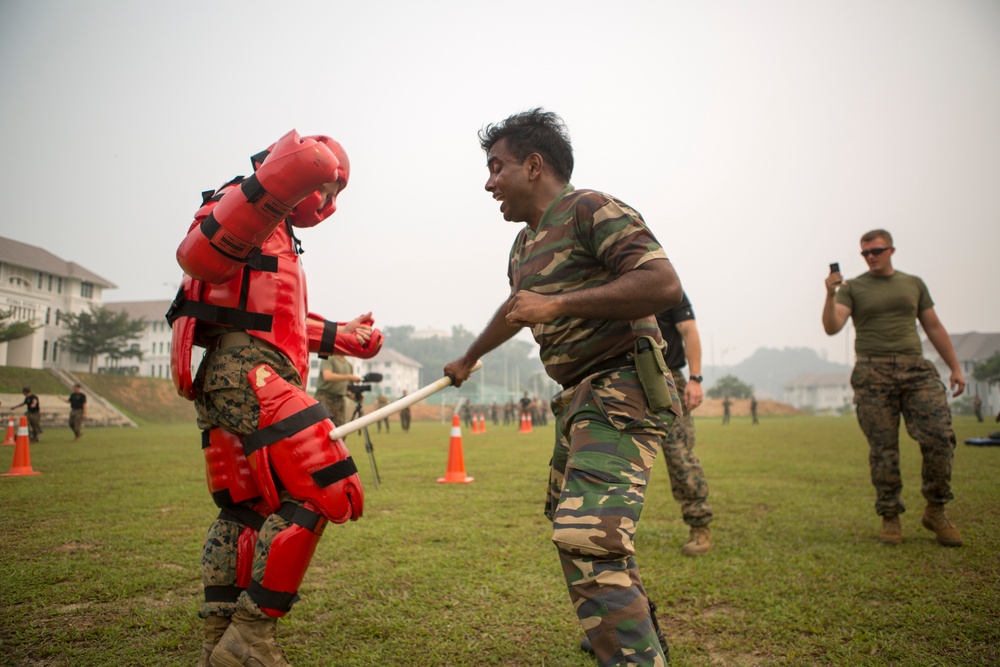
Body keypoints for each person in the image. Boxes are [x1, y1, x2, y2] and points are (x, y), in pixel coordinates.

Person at [444, 108, 682, 667]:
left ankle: (628, 651)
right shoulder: (523, 247)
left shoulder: (590, 209)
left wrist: (559, 304)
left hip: (622, 384)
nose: (488, 182)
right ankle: (618, 626)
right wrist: (469, 355)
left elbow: (663, 283)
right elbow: (517, 310)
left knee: (588, 536)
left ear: (533, 165)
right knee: (575, 523)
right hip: (577, 397)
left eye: (496, 166)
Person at [167, 129, 383, 666]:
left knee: (244, 509)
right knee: (324, 487)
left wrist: (341, 335)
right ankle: (249, 639)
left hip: (230, 372)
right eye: (330, 192)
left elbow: (271, 316)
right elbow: (196, 255)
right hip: (251, 373)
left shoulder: (274, 232)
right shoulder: (249, 205)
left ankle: (217, 641)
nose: (330, 206)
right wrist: (272, 183)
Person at [823, 228, 965, 547]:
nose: (870, 257)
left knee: (940, 438)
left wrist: (955, 367)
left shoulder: (912, 284)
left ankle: (936, 511)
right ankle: (890, 516)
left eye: (876, 251)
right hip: (873, 372)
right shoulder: (852, 288)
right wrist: (830, 294)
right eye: (865, 253)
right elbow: (832, 327)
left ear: (891, 250)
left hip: (915, 368)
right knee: (884, 449)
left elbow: (933, 326)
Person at [653, 292, 714, 557]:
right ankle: (606, 529)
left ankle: (699, 525)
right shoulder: (607, 283)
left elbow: (689, 331)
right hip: (620, 380)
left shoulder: (664, 287)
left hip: (666, 380)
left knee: (679, 455)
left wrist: (695, 378)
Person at [314, 354, 359, 427]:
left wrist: (353, 395)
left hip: (339, 400)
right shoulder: (329, 359)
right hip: (325, 397)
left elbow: (347, 387)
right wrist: (348, 377)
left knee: (339, 428)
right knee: (322, 426)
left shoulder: (349, 365)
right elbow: (327, 376)